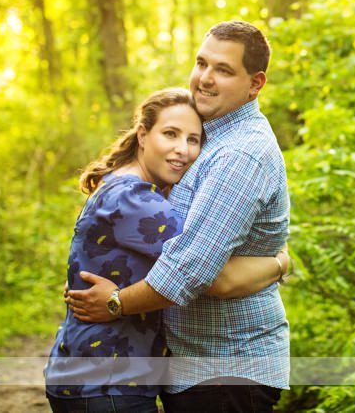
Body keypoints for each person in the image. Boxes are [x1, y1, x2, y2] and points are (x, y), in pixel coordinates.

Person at [68, 21, 290, 413]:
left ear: (255, 84)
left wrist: (115, 303)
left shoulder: (239, 154)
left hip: (226, 368)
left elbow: (193, 270)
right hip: (193, 366)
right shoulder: (207, 136)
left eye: (223, 70)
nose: (205, 78)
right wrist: (278, 261)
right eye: (201, 63)